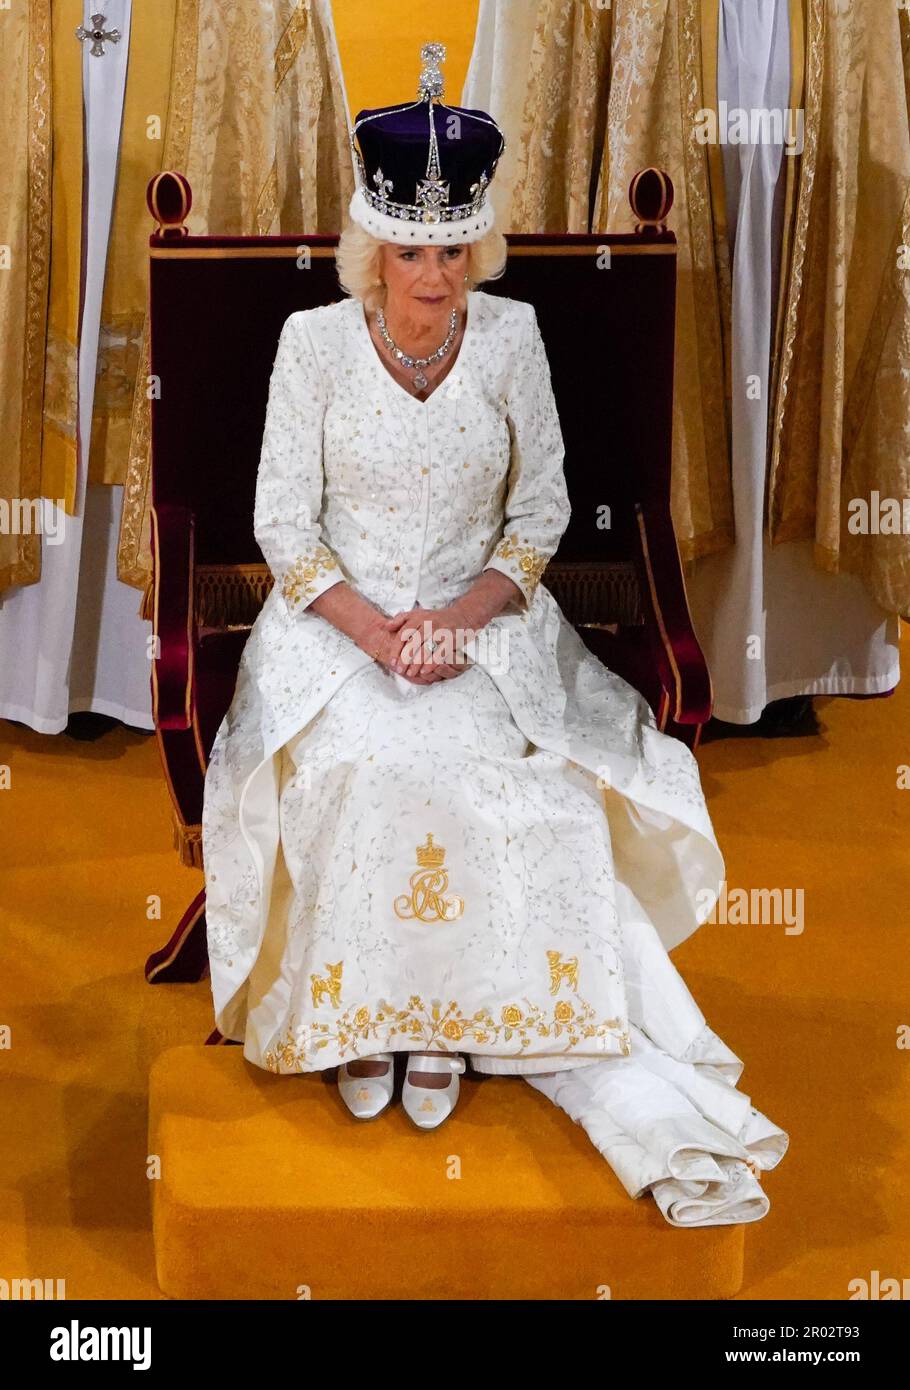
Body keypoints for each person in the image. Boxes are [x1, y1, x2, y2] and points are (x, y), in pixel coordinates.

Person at [202, 43, 788, 1227]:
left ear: (480, 244)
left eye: (453, 248)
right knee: (365, 764)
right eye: (412, 249)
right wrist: (378, 632)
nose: (435, 274)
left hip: (487, 623)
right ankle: (371, 1018)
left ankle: (456, 1022)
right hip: (334, 626)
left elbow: (540, 511)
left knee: (509, 772)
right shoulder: (310, 346)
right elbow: (278, 519)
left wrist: (461, 617)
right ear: (373, 249)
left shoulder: (511, 338)